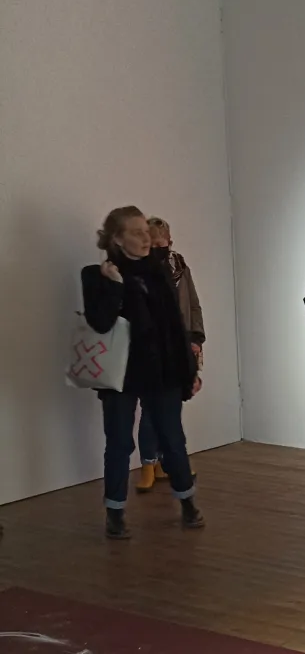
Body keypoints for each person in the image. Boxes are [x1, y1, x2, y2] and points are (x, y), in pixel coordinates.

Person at [82, 207, 204, 539]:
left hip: (161, 372)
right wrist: (115, 286)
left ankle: (188, 503)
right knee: (119, 443)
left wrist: (188, 371)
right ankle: (115, 513)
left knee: (172, 439)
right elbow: (100, 322)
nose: (145, 237)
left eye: (145, 230)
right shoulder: (96, 275)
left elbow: (174, 327)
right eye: (136, 232)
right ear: (117, 238)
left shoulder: (158, 271)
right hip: (120, 375)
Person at [135, 216, 205, 492]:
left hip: (180, 346)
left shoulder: (179, 264)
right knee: (150, 408)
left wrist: (196, 336)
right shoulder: (139, 271)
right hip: (150, 349)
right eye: (157, 246)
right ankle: (148, 464)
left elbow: (193, 303)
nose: (164, 250)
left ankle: (165, 462)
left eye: (167, 244)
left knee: (170, 409)